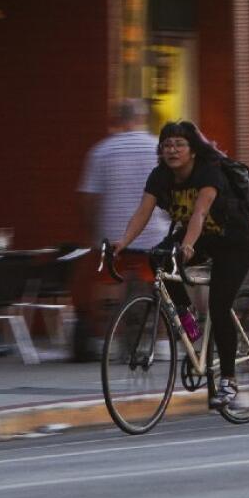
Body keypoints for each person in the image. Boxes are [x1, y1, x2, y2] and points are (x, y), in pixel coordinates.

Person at [113, 120, 249, 409]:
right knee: (157, 258)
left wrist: (187, 246)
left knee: (219, 305)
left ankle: (228, 381)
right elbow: (143, 212)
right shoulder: (160, 176)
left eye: (179, 144)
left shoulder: (209, 172)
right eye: (167, 145)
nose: (172, 150)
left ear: (192, 151)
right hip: (200, 238)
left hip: (233, 241)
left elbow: (200, 214)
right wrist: (121, 244)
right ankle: (187, 317)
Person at [73, 100, 171, 360]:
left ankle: (110, 342)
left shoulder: (101, 151)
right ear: (143, 118)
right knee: (160, 285)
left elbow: (88, 199)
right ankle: (161, 343)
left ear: (116, 119)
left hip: (114, 234)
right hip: (153, 233)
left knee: (109, 284)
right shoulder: (158, 149)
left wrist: (93, 231)